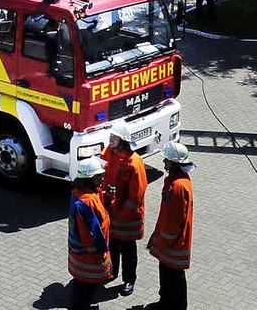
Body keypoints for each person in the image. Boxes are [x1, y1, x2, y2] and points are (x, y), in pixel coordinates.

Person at [102, 120, 148, 297]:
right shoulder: (108, 154)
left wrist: (122, 212)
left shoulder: (134, 162)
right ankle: (112, 272)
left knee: (128, 250)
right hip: (112, 212)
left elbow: (136, 195)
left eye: (114, 137)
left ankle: (129, 280)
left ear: (123, 140)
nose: (110, 140)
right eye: (111, 136)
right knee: (112, 245)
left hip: (127, 216)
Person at [147, 142, 195, 310]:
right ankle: (165, 302)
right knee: (168, 275)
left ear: (174, 163)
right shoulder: (177, 181)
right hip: (171, 240)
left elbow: (174, 220)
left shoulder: (178, 187)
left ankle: (175, 306)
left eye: (167, 160)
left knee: (174, 277)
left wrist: (164, 241)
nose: (164, 163)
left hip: (173, 243)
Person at [68, 156, 112, 310]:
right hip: (89, 257)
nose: (102, 178)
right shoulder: (87, 201)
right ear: (90, 179)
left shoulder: (80, 194)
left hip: (81, 255)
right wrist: (99, 252)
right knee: (84, 292)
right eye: (99, 176)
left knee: (81, 289)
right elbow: (91, 233)